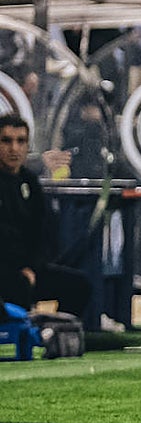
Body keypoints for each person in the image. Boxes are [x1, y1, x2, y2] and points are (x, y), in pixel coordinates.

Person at [0, 113, 93, 327]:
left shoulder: (30, 182)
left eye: (20, 141)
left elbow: (43, 232)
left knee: (79, 285)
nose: (14, 148)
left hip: (29, 268)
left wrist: (32, 267)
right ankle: (18, 336)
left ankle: (54, 334)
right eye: (6, 141)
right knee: (17, 284)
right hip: (5, 270)